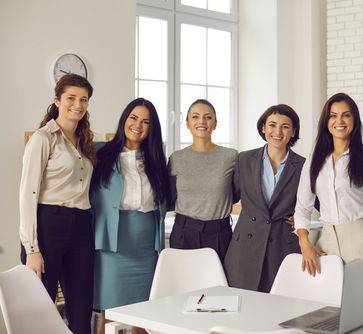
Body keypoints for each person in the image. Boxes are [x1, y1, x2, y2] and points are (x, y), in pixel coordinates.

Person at [19, 74, 96, 334]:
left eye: (83, 99)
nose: (78, 104)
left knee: (81, 307)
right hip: (49, 224)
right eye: (71, 98)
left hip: (83, 226)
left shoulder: (85, 141)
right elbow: (27, 194)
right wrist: (31, 248)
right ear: (57, 100)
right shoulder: (43, 138)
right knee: (39, 309)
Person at [91, 98, 169, 334]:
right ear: (124, 119)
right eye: (133, 118)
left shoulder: (157, 161)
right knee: (109, 316)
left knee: (142, 319)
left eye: (146, 121)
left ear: (152, 128)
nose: (138, 125)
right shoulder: (99, 153)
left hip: (146, 249)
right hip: (111, 247)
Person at [294, 93, 363, 276]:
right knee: (325, 302)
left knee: (362, 301)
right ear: (326, 121)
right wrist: (304, 241)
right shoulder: (314, 159)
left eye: (346, 115)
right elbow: (303, 206)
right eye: (333, 115)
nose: (339, 120)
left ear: (355, 120)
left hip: (360, 240)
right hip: (327, 241)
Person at [224, 104, 305, 293]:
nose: (278, 131)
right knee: (242, 307)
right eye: (272, 125)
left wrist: (300, 217)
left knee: (280, 309)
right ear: (263, 128)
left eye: (285, 126)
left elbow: (319, 204)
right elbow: (229, 198)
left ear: (293, 132)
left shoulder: (303, 166)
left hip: (283, 248)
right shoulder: (244, 160)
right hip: (245, 248)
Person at [168, 99, 238, 262]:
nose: (201, 121)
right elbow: (169, 196)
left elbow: (239, 192)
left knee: (219, 285)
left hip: (220, 233)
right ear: (187, 123)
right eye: (195, 117)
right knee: (184, 285)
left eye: (208, 117)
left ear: (215, 124)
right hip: (184, 232)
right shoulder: (176, 158)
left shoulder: (231, 157)